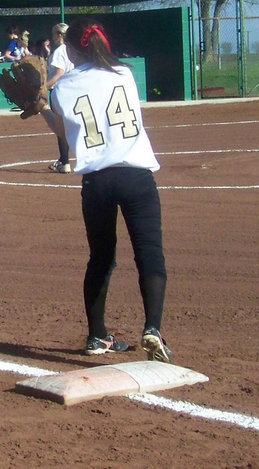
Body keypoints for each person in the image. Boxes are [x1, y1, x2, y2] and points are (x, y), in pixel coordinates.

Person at [50, 18, 171, 362]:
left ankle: (96, 335)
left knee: (101, 258)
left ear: (71, 51)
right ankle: (152, 329)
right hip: (136, 176)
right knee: (149, 254)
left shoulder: (64, 87)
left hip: (97, 182)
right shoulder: (126, 74)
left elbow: (63, 131)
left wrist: (39, 107)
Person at [42, 22, 75, 174]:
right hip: (75, 91)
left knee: (60, 126)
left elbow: (58, 74)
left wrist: (43, 88)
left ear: (60, 35)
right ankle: (62, 160)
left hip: (61, 92)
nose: (53, 37)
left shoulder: (60, 52)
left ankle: (65, 162)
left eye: (54, 34)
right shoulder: (74, 50)